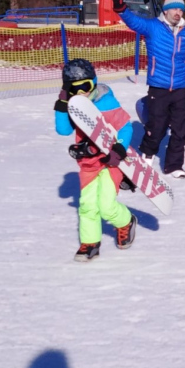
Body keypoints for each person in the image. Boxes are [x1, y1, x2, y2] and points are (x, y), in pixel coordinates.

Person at [54, 58, 137, 262]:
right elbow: (63, 130)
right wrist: (63, 104)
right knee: (87, 205)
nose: (82, 91)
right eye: (75, 88)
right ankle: (90, 243)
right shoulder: (72, 104)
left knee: (106, 206)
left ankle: (125, 222)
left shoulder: (106, 102)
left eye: (86, 85)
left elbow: (126, 127)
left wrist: (119, 148)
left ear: (94, 81)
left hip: (111, 162)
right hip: (89, 163)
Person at [109, 0, 185, 178]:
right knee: (157, 126)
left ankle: (174, 165)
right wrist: (120, 7)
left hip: (180, 88)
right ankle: (147, 154)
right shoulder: (153, 27)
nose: (177, 13)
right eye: (174, 9)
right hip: (159, 86)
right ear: (166, 10)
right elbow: (133, 22)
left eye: (180, 10)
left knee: (181, 130)